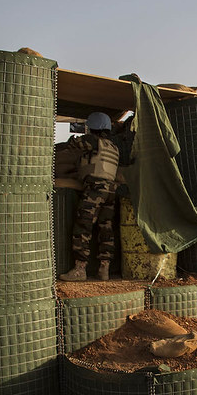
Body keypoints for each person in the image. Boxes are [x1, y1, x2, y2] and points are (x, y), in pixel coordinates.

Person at [59, 112, 120, 282]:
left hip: (95, 189)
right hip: (110, 191)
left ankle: (79, 270)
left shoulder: (92, 141)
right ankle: (104, 269)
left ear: (92, 126)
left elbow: (70, 146)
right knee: (106, 229)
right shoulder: (113, 146)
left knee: (83, 227)